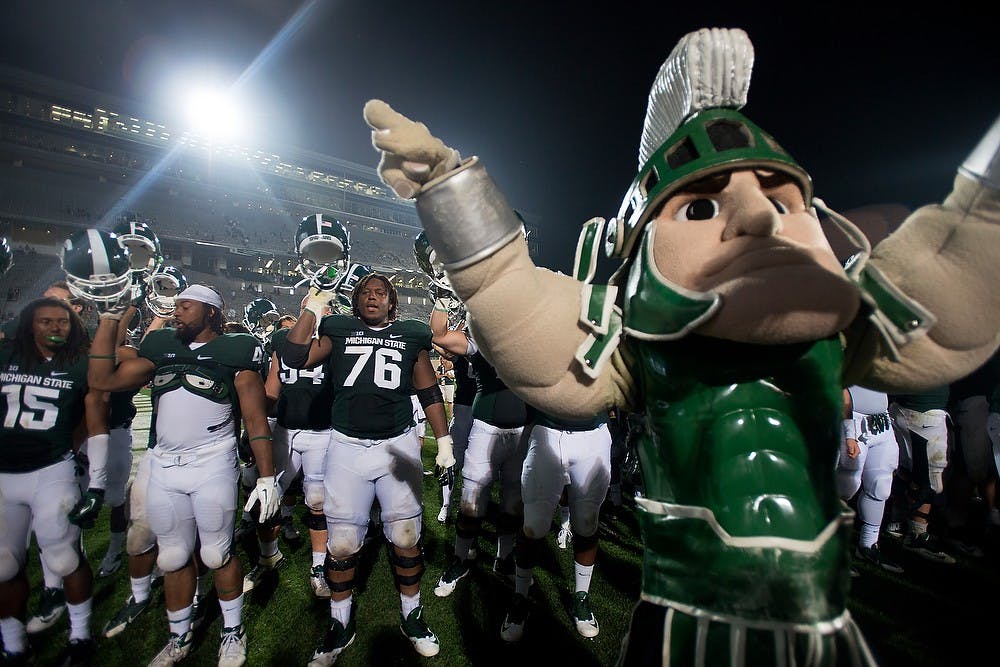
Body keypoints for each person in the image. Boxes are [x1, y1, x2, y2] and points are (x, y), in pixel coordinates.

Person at [363, 26, 1000, 665]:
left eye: (781, 201)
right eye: (699, 210)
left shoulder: (838, 324)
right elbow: (512, 297)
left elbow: (956, 284)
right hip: (687, 624)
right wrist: (449, 186)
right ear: (639, 253)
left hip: (823, 625)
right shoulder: (643, 342)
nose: (756, 219)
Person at [87, 284, 280, 667]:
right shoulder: (160, 349)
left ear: (211, 312)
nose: (177, 312)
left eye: (185, 306)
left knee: (215, 552)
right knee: (173, 555)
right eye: (176, 307)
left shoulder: (236, 351)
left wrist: (266, 476)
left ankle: (232, 630)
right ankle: (180, 635)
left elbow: (257, 420)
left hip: (212, 461)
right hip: (164, 462)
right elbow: (103, 379)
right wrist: (110, 317)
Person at [281, 273, 454, 664]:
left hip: (397, 444)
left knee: (406, 537)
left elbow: (427, 388)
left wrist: (443, 440)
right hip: (346, 446)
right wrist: (313, 305)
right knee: (341, 543)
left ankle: (413, 615)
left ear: (392, 302)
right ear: (355, 300)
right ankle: (339, 624)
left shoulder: (410, 333)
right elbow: (294, 357)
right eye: (364, 292)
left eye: (380, 293)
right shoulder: (338, 327)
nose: (371, 297)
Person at [0, 297, 101, 665]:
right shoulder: (6, 355)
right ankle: (12, 643)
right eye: (46, 321)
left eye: (62, 321)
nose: (55, 328)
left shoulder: (80, 364)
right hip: (4, 473)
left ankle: (80, 636)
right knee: (4, 564)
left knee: (63, 556)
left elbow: (92, 420)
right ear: (29, 324)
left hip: (51, 467)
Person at [429, 309, 531, 597]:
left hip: (522, 431)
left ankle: (504, 558)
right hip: (485, 428)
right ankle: (461, 559)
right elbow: (440, 335)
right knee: (471, 500)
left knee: (513, 502)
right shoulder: (484, 337)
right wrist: (441, 300)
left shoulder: (536, 339)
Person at [500, 407, 612, 642]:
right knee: (533, 525)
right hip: (546, 429)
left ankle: (581, 596)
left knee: (586, 522)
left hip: (593, 433)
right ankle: (520, 597)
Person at [264, 307, 335, 598]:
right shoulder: (283, 339)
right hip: (285, 428)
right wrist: (260, 426)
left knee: (317, 500)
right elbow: (272, 385)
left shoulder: (335, 338)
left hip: (321, 431)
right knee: (269, 495)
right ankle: (268, 555)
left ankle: (319, 567)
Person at [837, 386, 904, 574]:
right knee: (845, 486)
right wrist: (848, 432)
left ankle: (868, 545)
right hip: (852, 420)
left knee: (880, 485)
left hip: (881, 421)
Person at [888, 386, 957, 564]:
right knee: (930, 478)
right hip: (924, 412)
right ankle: (917, 534)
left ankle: (897, 519)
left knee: (905, 468)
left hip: (903, 408)